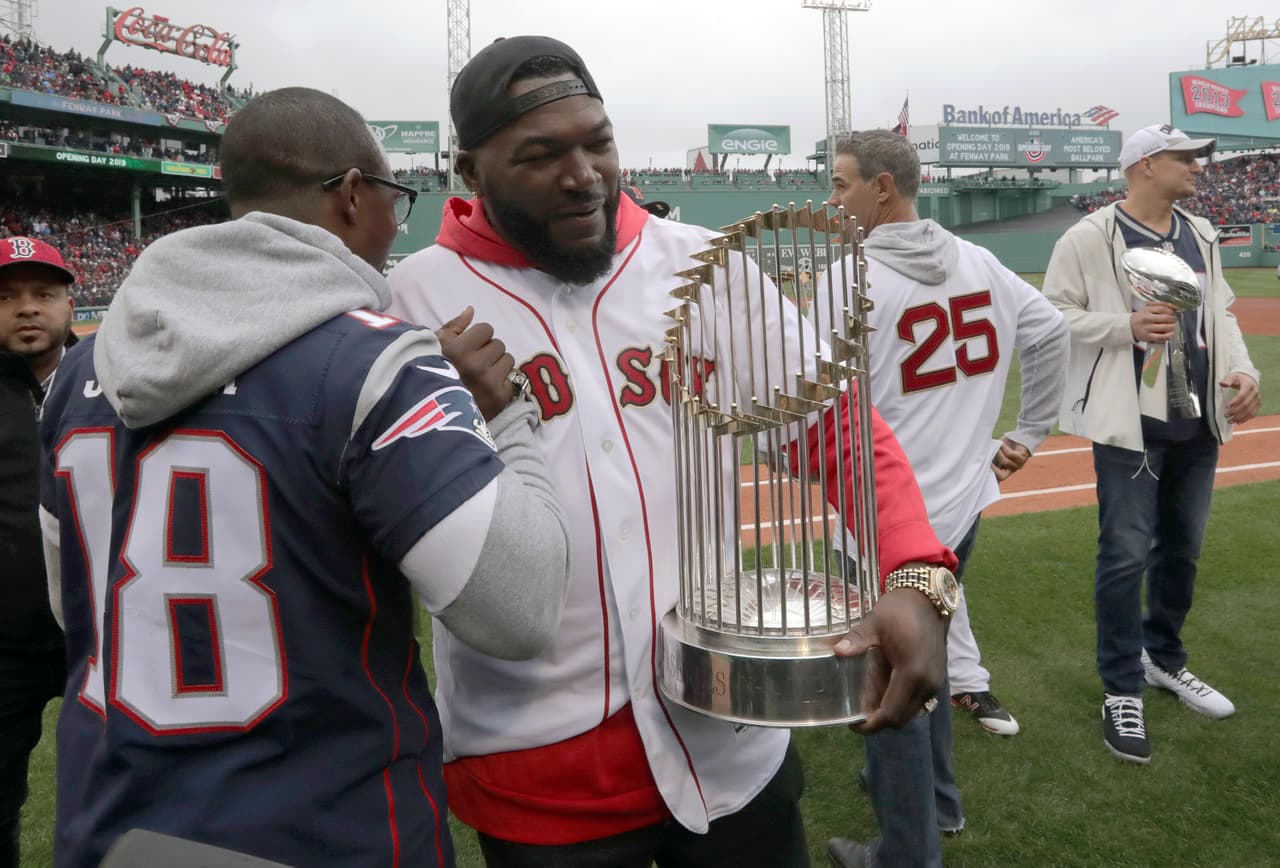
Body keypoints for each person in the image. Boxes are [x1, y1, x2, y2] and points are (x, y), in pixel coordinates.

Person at [388, 35, 959, 868]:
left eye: (597, 141)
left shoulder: (700, 264)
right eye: (541, 155)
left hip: (731, 733)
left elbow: (834, 426)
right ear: (471, 174)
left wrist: (914, 572)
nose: (582, 174)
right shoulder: (413, 301)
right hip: (539, 765)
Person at [38, 87, 571, 868]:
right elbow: (520, 608)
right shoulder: (377, 363)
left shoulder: (77, 372)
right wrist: (501, 420)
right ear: (355, 194)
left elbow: (73, 608)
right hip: (325, 826)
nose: (395, 224)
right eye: (395, 198)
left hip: (114, 824)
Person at [819, 130, 1069, 867]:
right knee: (926, 656)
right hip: (960, 501)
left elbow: (816, 410)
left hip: (886, 516)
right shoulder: (977, 258)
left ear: (883, 189)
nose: (834, 198)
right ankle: (940, 804)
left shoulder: (848, 278)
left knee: (893, 676)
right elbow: (1048, 329)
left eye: (842, 184)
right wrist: (1027, 429)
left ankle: (906, 850)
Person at [1043, 123, 1262, 764]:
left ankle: (1163, 657)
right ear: (1143, 165)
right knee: (1124, 556)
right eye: (1183, 157)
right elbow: (1052, 314)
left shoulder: (1200, 232)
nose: (1197, 166)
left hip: (1198, 421)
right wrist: (1124, 325)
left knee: (1183, 552)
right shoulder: (1089, 236)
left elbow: (1219, 312)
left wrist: (1244, 373)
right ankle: (1121, 688)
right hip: (1130, 424)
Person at [0, 236, 74, 868]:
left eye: (42, 294)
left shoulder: (118, 380)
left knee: (120, 790)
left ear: (69, 305)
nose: (27, 308)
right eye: (6, 297)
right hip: (3, 641)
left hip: (103, 635)